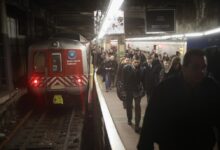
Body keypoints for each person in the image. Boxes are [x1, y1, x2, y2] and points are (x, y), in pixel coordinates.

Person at [137, 49, 220, 150]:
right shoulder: (165, 89)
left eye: (203, 68)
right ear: (184, 68)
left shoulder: (211, 88)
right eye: (195, 68)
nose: (201, 72)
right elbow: (150, 121)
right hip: (172, 145)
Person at [123, 55, 145, 133]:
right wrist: (123, 91)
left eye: (138, 62)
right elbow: (124, 80)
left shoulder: (142, 69)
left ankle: (137, 125)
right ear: (132, 61)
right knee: (129, 106)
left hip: (137, 91)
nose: (136, 64)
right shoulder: (126, 68)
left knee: (137, 108)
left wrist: (143, 91)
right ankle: (129, 119)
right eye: (135, 62)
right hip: (128, 90)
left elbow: (143, 81)